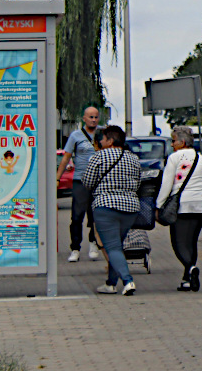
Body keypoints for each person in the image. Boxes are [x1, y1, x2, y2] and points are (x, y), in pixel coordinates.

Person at [79, 125, 140, 295]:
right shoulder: (133, 158)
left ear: (110, 141)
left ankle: (128, 281)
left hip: (106, 206)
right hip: (130, 208)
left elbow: (88, 182)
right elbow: (138, 183)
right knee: (117, 246)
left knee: (112, 247)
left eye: (104, 139)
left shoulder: (98, 157)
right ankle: (110, 283)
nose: (101, 141)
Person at [158, 126, 202, 291]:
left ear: (182, 142)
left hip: (183, 204)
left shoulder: (174, 158)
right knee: (192, 241)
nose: (172, 144)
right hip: (201, 204)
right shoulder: (201, 158)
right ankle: (187, 278)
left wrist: (159, 205)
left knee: (178, 242)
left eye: (173, 141)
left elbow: (167, 184)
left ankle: (191, 268)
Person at [55, 106, 101, 262]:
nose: (93, 120)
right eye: (90, 117)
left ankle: (94, 243)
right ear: (84, 118)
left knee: (95, 215)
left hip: (98, 181)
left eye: (95, 117)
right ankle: (75, 248)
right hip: (80, 180)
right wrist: (58, 178)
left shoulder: (102, 134)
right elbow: (66, 157)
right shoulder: (76, 135)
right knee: (77, 215)